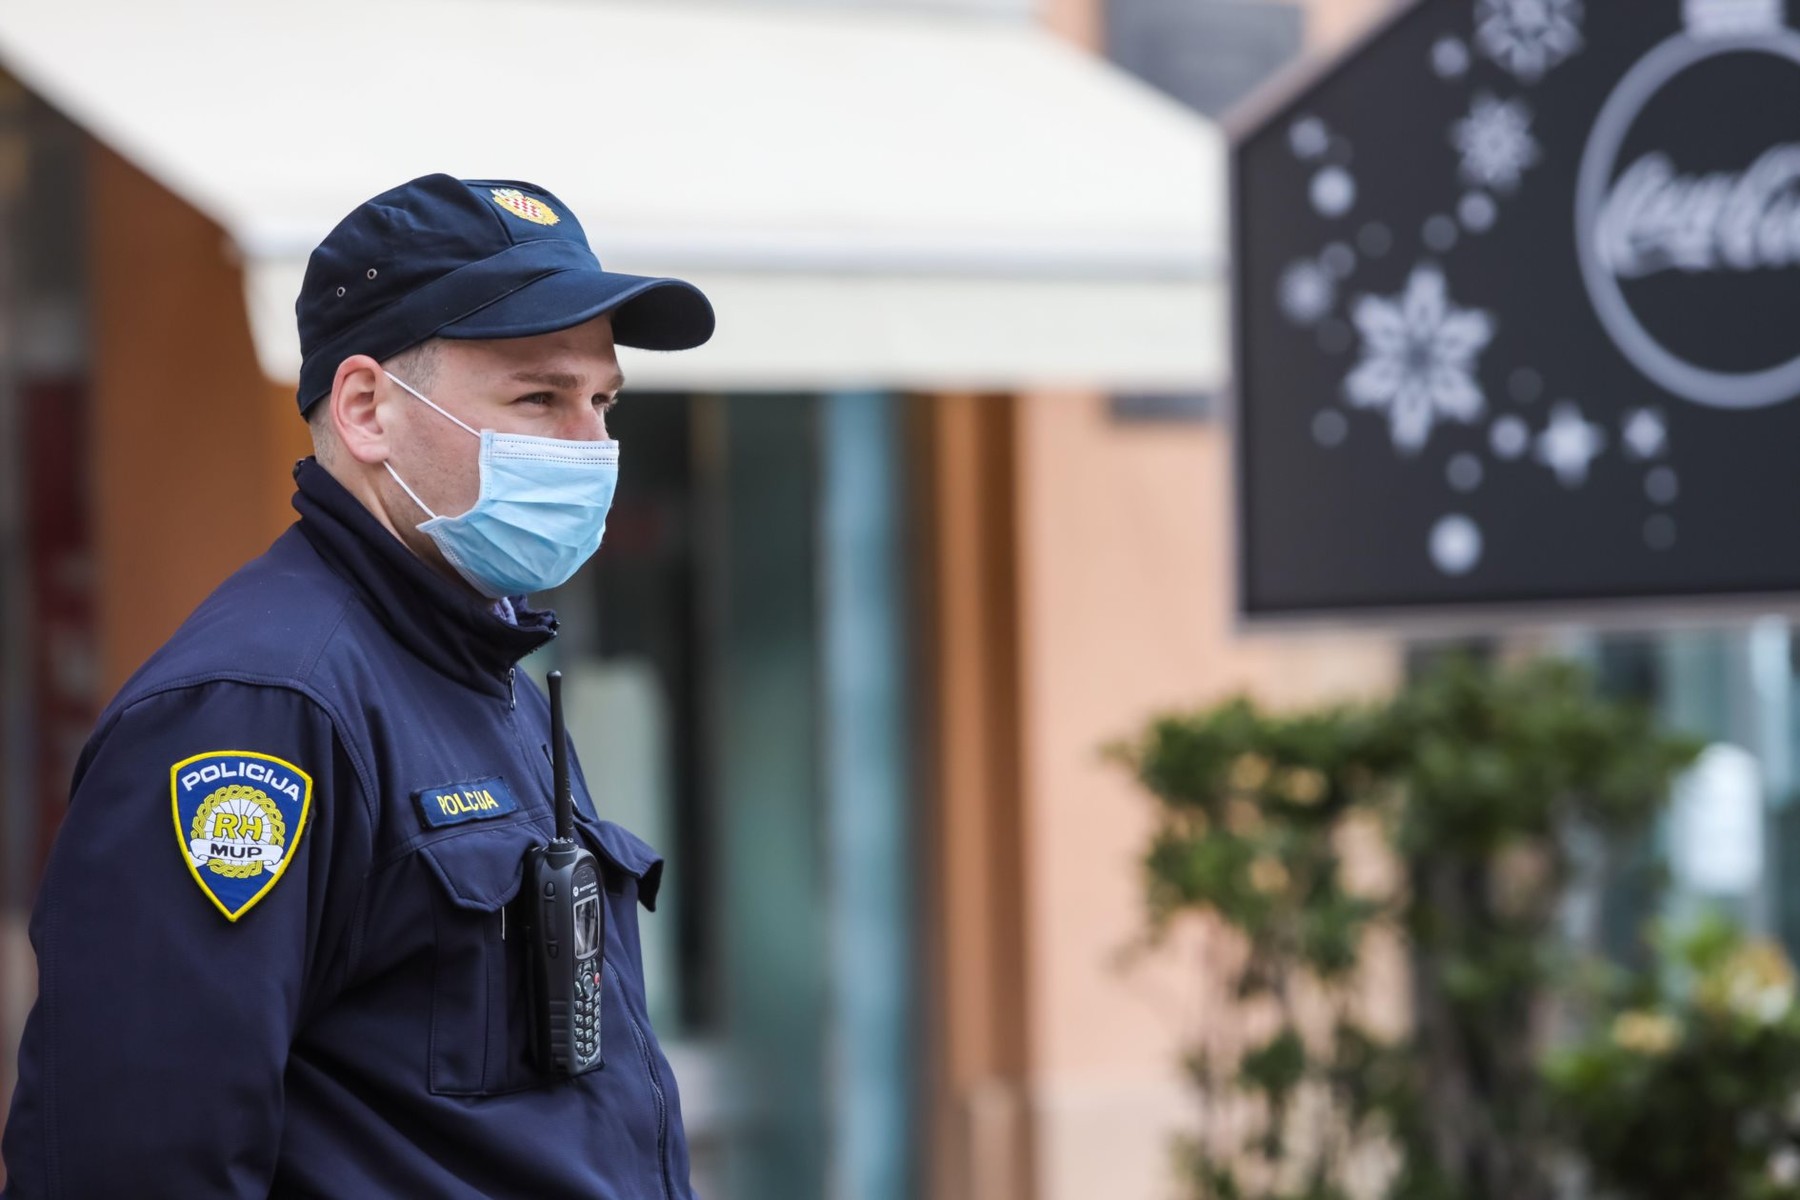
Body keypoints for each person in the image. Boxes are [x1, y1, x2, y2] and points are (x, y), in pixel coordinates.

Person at [0, 174, 715, 1198]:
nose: (593, 451)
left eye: (602, 403)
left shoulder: (475, 664)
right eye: (540, 398)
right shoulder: (259, 707)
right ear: (369, 408)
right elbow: (135, 1159)